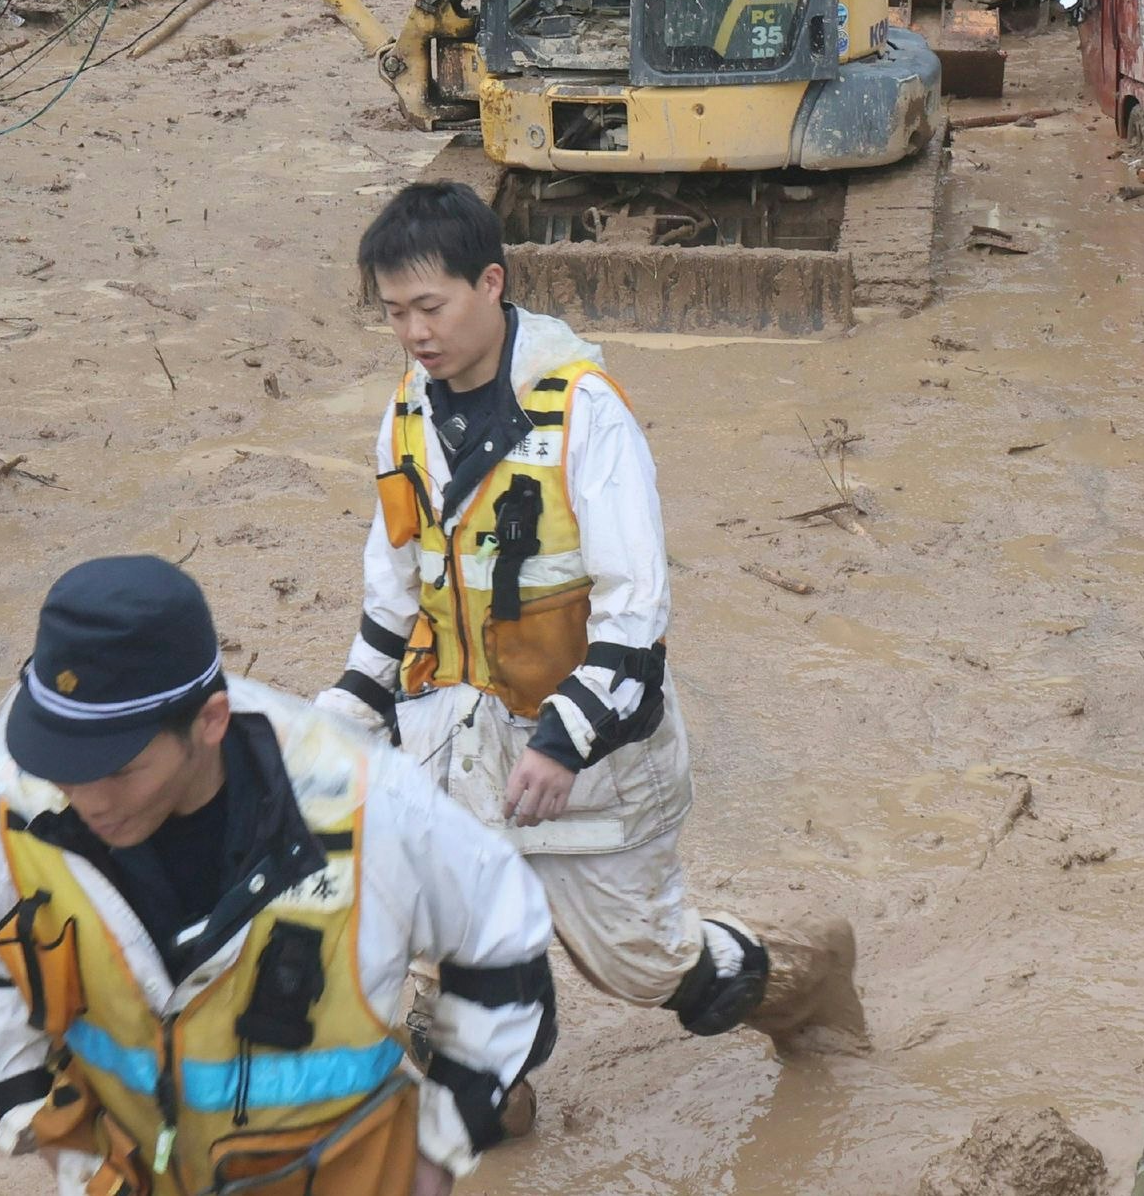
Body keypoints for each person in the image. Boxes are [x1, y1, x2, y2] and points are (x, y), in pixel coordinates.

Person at [317, 184, 860, 1099]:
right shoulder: (408, 409)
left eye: (430, 307)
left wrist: (563, 743)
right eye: (395, 313)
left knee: (645, 966)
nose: (413, 333)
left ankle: (805, 977)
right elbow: (396, 590)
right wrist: (339, 721)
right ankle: (495, 1085)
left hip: (591, 746)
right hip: (459, 739)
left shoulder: (585, 414)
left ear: (491, 284)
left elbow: (634, 610)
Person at [0, 555, 554, 1195]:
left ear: (209, 721)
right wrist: (48, 1137)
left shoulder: (371, 806)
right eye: (62, 762)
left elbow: (505, 938)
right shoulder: (6, 809)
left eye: (119, 769)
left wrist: (441, 1144)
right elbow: (2, 970)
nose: (87, 798)